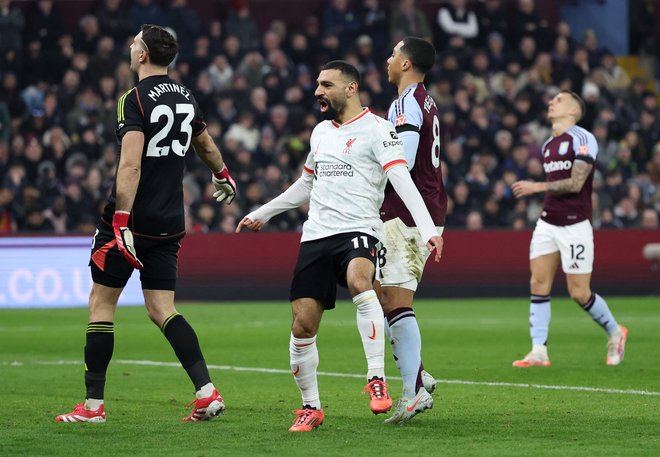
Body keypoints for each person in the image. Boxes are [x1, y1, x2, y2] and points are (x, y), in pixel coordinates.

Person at [236, 60, 443, 432]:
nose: (318, 91)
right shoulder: (320, 133)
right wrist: (262, 213)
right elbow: (305, 185)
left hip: (360, 229)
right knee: (302, 325)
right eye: (317, 84)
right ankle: (310, 406)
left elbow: (402, 178)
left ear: (350, 88)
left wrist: (428, 228)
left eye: (326, 84)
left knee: (361, 282)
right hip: (316, 234)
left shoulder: (380, 130)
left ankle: (376, 378)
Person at [55, 24, 237, 423]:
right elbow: (203, 143)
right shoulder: (186, 96)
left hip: (132, 221)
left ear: (142, 55)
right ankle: (206, 392)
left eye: (134, 41)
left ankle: (92, 407)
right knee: (162, 308)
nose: (130, 44)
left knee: (102, 304)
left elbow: (131, 163)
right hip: (170, 220)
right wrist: (223, 174)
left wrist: (120, 220)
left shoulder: (132, 99)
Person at [511, 90, 628, 368]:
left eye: (559, 100)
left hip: (575, 225)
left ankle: (615, 330)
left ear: (574, 111)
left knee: (578, 292)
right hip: (547, 223)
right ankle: (539, 350)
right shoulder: (548, 144)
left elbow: (576, 183)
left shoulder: (584, 139)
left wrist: (537, 186)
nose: (552, 102)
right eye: (551, 99)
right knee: (538, 283)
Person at [376, 36, 447, 424]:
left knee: (396, 300)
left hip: (407, 211)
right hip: (420, 208)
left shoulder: (406, 105)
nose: (388, 60)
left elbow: (399, 162)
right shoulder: (426, 101)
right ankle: (416, 372)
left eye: (393, 55)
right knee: (378, 290)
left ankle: (413, 391)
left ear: (405, 64)